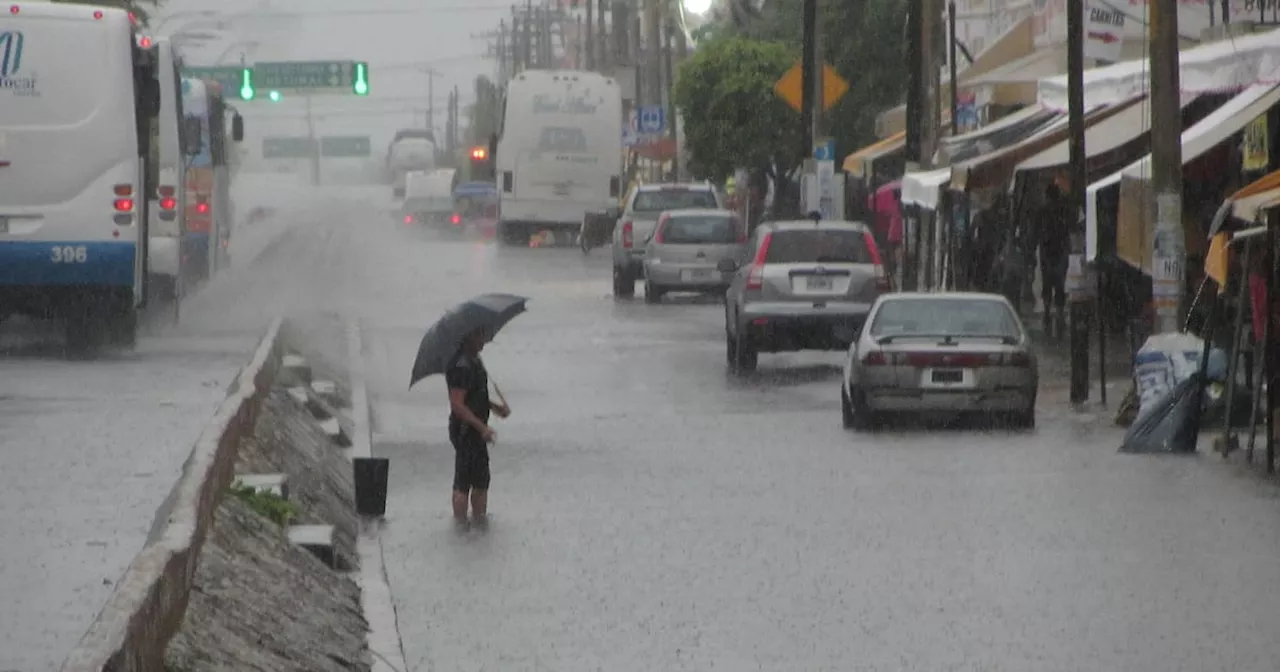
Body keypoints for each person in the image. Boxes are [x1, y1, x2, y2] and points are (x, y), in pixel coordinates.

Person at [445, 327, 510, 526]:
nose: (485, 340)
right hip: (466, 431)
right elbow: (457, 404)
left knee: (481, 481)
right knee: (464, 482)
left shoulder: (475, 361)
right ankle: (461, 527)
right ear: (468, 337)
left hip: (475, 430)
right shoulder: (461, 366)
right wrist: (481, 428)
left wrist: (496, 408)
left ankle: (479, 523)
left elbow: (476, 396)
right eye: (480, 335)